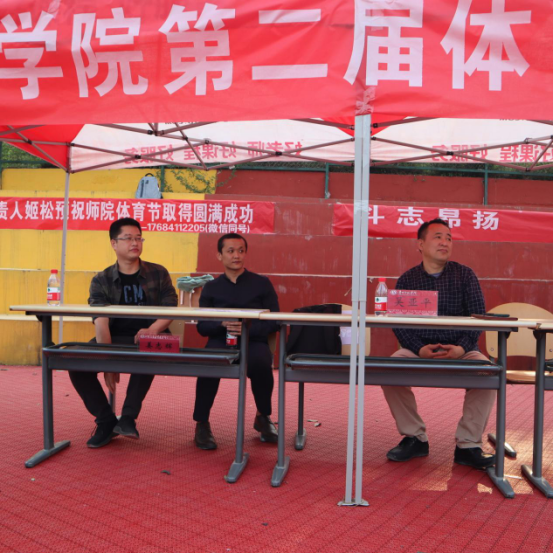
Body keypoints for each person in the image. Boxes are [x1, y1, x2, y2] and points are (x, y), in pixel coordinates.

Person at [382, 218, 496, 470]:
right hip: (418, 349)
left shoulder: (465, 275)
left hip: (461, 349)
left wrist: (462, 348)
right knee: (389, 368)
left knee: (488, 372)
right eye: (438, 237)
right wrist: (419, 349)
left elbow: (479, 317)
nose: (445, 242)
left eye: (449, 238)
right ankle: (415, 437)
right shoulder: (407, 280)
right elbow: (398, 324)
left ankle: (468, 445)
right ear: (420, 244)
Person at [69, 217, 177, 448]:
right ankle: (106, 420)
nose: (135, 243)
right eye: (128, 238)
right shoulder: (102, 279)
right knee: (76, 363)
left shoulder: (158, 273)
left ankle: (128, 418)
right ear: (114, 243)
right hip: (114, 338)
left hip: (153, 336)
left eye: (138, 238)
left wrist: (152, 329)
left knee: (149, 348)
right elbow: (101, 323)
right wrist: (108, 361)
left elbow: (170, 310)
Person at [193, 233, 280, 450]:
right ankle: (201, 423)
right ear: (219, 255)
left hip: (253, 340)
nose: (236, 256)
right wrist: (221, 324)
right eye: (230, 251)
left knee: (261, 363)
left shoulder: (262, 284)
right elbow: (202, 326)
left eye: (241, 251)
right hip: (220, 340)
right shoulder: (211, 287)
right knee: (208, 363)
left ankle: (263, 416)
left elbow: (275, 320)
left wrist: (247, 329)